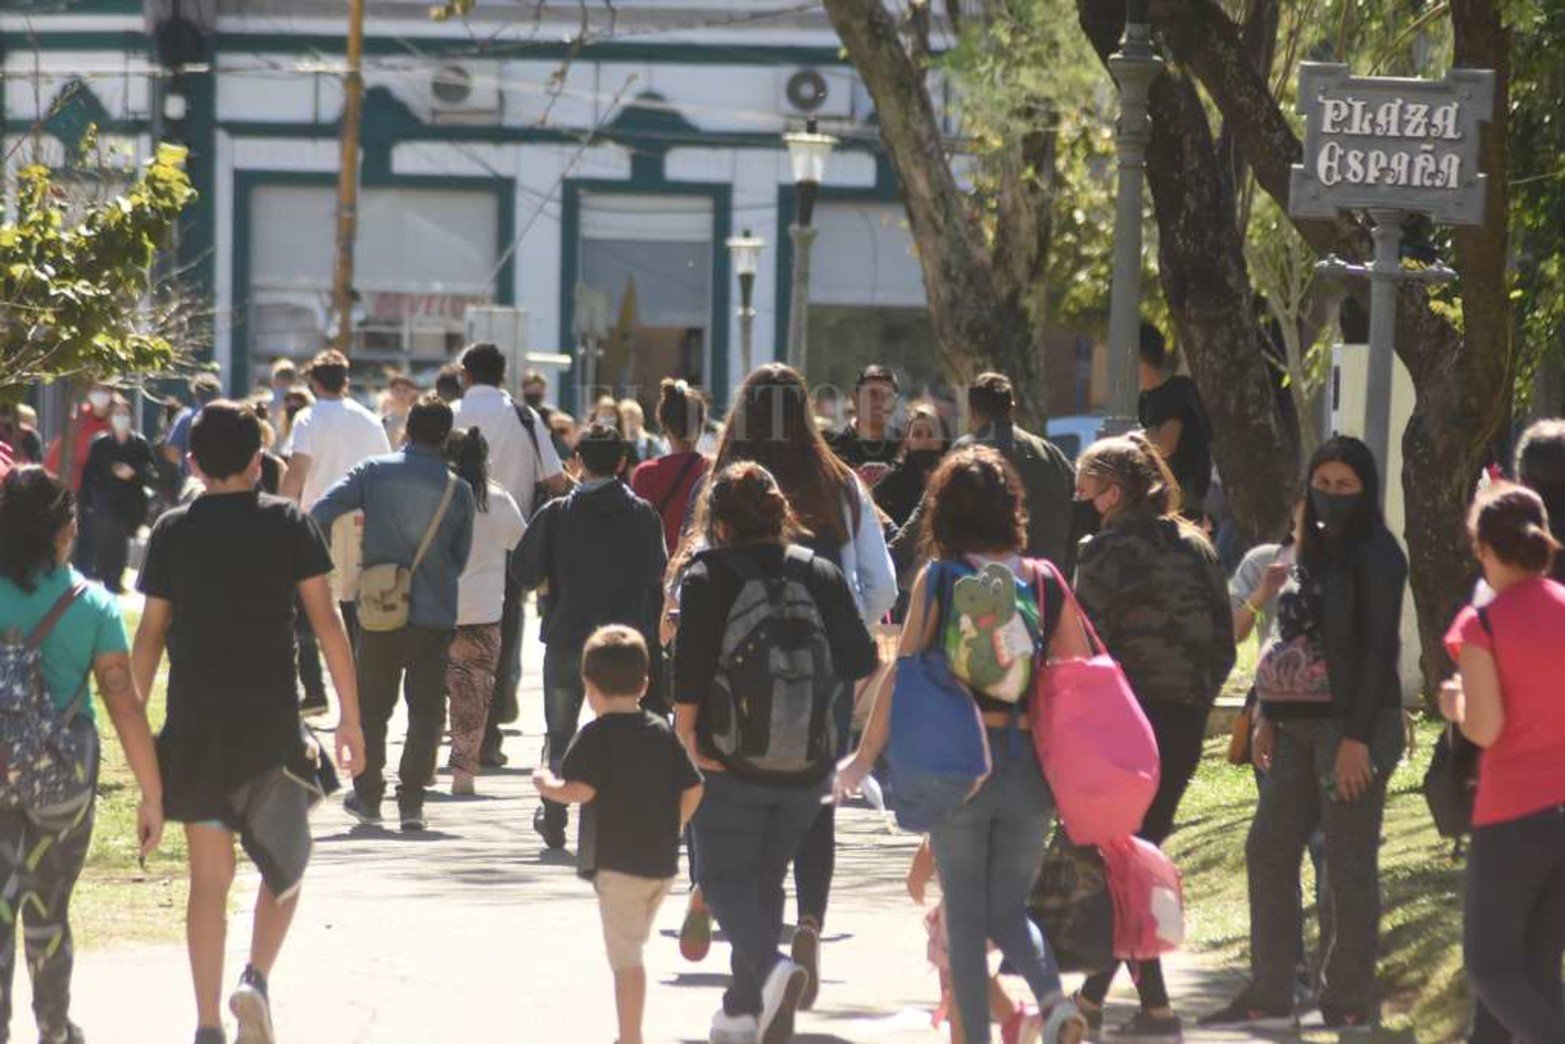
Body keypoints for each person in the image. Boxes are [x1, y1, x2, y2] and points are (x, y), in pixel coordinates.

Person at [129, 402, 364, 1044]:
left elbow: (150, 633)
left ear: (194, 462)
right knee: (284, 867)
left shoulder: (173, 530)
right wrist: (350, 718)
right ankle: (254, 979)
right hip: (272, 728)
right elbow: (326, 622)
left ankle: (206, 1022)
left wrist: (133, 723)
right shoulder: (289, 523)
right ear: (260, 461)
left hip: (196, 728)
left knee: (209, 881)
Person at [838, 446, 1090, 1044]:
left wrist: (865, 756)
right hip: (1030, 765)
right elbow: (1079, 669)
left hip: (957, 767)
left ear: (943, 511)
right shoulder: (1044, 580)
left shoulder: (942, 579)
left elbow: (900, 675)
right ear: (1012, 509)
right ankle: (1054, 1001)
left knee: (968, 917)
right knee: (1008, 908)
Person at [691, 363, 897, 1007]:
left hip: (733, 683)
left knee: (732, 808)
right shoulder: (840, 484)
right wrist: (833, 641)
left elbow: (696, 565)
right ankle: (808, 921)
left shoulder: (726, 481)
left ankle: (723, 911)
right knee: (811, 808)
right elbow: (884, 587)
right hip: (823, 675)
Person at [1204, 435, 1407, 1034]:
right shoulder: (1305, 549)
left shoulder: (1377, 555)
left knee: (1346, 864)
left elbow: (1378, 652)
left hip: (1352, 728)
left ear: (1366, 491)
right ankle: (1270, 990)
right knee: (1267, 848)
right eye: (1324, 483)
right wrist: (1267, 711)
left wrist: (1359, 741)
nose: (1333, 496)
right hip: (1292, 727)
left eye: (1347, 486)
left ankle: (1348, 997)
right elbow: (1285, 638)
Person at [674, 462, 878, 1044]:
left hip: (726, 755)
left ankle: (769, 969)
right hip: (809, 761)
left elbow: (688, 668)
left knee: (716, 877)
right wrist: (829, 723)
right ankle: (742, 1011)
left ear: (720, 521)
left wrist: (686, 738)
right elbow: (865, 661)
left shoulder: (707, 574)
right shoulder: (819, 571)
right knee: (765, 880)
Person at [1071, 433, 1236, 1039]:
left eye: (1090, 492)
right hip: (1185, 720)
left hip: (1125, 724)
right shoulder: (1199, 547)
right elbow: (1225, 641)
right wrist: (1195, 696)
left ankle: (1095, 999)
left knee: (1123, 860)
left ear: (1114, 492)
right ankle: (1151, 1006)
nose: (1086, 503)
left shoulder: (1102, 552)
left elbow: (1082, 645)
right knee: (1139, 853)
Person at [0, 466, 163, 1044]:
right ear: (63, 531)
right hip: (62, 781)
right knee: (48, 910)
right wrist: (151, 792)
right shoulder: (91, 604)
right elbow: (124, 705)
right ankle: (53, 1028)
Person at [533, 625, 704, 1044]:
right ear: (645, 684)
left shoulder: (594, 736)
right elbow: (694, 785)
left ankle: (630, 1036)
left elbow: (581, 790)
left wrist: (547, 786)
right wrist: (675, 825)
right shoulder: (661, 732)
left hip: (618, 865)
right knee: (634, 942)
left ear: (589, 688)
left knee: (627, 959)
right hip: (661, 866)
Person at [312, 396, 475, 833]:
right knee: (425, 711)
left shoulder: (373, 472)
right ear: (445, 437)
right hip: (435, 612)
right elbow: (461, 558)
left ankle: (368, 797)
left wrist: (333, 562)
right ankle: (412, 803)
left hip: (378, 607)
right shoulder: (457, 489)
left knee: (372, 707)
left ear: (406, 428)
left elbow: (321, 511)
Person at [1440, 482, 1565, 1044]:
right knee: (1536, 972)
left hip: (1512, 813)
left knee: (1491, 966)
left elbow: (1485, 727)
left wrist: (1454, 704)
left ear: (1484, 548)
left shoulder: (1481, 625)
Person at [511, 423, 667, 848]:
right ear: (621, 463)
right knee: (622, 729)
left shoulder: (557, 513)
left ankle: (556, 813)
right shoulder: (643, 514)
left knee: (559, 731)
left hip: (567, 635)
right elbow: (657, 573)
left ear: (578, 461)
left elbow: (523, 571)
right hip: (624, 642)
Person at [451, 343, 571, 768]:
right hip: (511, 542)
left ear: (465, 374)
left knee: (443, 641)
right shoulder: (524, 417)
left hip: (447, 543)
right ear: (504, 376)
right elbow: (555, 479)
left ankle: (455, 729)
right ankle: (489, 733)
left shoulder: (448, 415)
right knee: (499, 642)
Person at [893, 374, 1076, 579]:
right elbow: (1081, 508)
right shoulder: (1051, 454)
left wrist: (889, 559)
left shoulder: (966, 453)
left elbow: (926, 513)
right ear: (1012, 408)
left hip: (987, 592)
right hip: (1046, 585)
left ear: (972, 412)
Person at [280, 350, 391, 648]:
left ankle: (315, 685)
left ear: (315, 383)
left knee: (309, 601)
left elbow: (297, 470)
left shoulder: (307, 418)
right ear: (346, 381)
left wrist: (281, 511)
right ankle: (357, 672)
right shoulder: (370, 420)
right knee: (356, 600)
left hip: (318, 520)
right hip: (362, 520)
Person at [443, 427, 525, 796]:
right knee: (473, 695)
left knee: (431, 689)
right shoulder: (498, 499)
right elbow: (522, 546)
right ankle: (464, 770)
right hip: (484, 610)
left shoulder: (436, 497)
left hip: (437, 609)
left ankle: (421, 764)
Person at [79, 395, 158, 594]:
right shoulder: (101, 444)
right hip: (105, 501)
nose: (121, 418)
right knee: (107, 540)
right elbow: (91, 472)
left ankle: (115, 578)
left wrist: (133, 471)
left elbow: (150, 472)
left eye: (125, 414)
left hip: (130, 502)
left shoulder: (139, 443)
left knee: (121, 541)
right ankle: (108, 578)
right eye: (117, 414)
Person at [1137, 322, 1213, 523]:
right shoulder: (1144, 399)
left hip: (1184, 503)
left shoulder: (1179, 391)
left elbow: (1165, 446)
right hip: (1159, 500)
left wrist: (1139, 437)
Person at [631, 379, 711, 554]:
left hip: (661, 574)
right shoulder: (714, 470)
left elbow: (639, 534)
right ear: (701, 426)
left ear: (664, 427)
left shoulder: (646, 474)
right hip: (704, 569)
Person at [873, 403, 950, 532]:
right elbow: (870, 506)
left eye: (931, 434)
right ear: (908, 440)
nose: (925, 441)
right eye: (917, 434)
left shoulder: (952, 477)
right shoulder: (895, 479)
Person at [827, 364, 903, 488]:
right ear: (854, 398)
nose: (879, 402)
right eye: (872, 394)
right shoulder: (830, 443)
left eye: (887, 396)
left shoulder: (903, 446)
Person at [46, 381, 117, 491]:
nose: (100, 394)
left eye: (104, 390)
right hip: (76, 487)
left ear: (112, 393)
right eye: (96, 390)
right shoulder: (79, 418)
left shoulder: (118, 417)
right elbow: (58, 454)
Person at [163, 373, 225, 476]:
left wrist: (185, 462)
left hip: (193, 480)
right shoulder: (228, 417)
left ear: (195, 395)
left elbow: (172, 452)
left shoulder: (186, 418)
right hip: (222, 481)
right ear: (217, 395)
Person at [620, 397, 665, 466]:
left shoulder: (652, 442)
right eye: (624, 418)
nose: (628, 422)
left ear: (640, 418)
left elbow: (661, 464)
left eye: (631, 417)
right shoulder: (619, 443)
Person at [380, 372, 420, 448]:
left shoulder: (418, 420)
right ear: (391, 392)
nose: (401, 395)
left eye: (406, 390)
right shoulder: (383, 421)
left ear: (413, 393)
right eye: (397, 390)